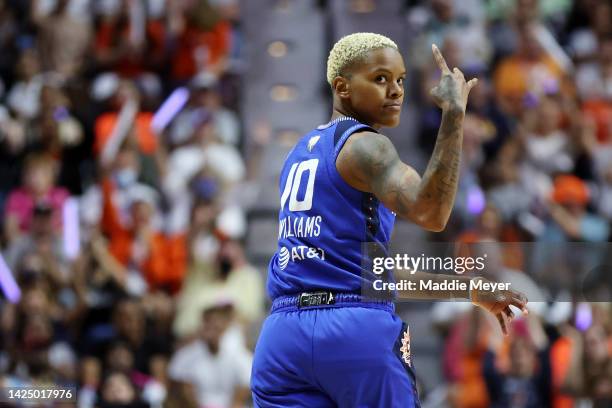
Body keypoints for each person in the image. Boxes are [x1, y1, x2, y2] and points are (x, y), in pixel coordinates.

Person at [250, 33, 528, 407]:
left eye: (400, 80)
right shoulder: (367, 145)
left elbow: (367, 275)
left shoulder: (298, 154)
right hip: (353, 335)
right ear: (342, 87)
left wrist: (470, 289)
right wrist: (454, 116)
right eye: (380, 79)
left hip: (282, 341)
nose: (395, 90)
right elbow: (431, 212)